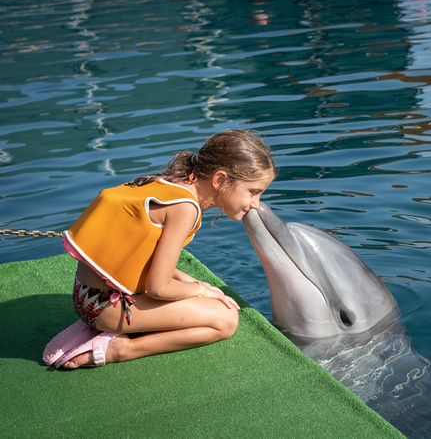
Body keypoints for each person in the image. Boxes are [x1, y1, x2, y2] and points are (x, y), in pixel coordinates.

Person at [43, 129, 275, 369]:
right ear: (219, 180)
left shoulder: (170, 184)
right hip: (109, 306)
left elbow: (147, 259)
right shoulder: (186, 209)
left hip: (87, 295)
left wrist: (201, 286)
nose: (256, 204)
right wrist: (200, 292)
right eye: (253, 192)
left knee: (208, 297)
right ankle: (122, 349)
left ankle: (98, 326)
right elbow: (158, 288)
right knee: (225, 320)